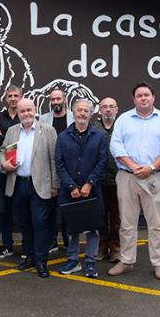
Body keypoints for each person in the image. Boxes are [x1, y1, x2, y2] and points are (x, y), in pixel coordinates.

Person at [109, 82, 160, 280]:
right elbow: (116, 146)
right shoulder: (123, 119)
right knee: (127, 223)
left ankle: (159, 263)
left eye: (146, 95)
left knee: (156, 223)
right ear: (134, 99)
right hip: (127, 177)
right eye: (139, 95)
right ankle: (127, 261)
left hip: (155, 177)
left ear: (153, 97)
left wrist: (151, 167)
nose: (143, 98)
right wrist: (133, 166)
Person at [0, 98, 58, 278]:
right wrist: (4, 164)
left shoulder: (48, 130)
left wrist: (55, 184)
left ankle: (41, 262)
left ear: (35, 110)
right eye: (22, 111)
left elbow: (54, 159)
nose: (26, 114)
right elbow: (2, 151)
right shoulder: (12, 131)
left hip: (40, 185)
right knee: (24, 223)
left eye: (29, 110)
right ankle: (29, 256)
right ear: (18, 113)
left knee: (40, 223)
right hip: (18, 184)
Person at [56, 99, 108, 278]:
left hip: (91, 190)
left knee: (93, 228)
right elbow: (59, 164)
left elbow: (103, 162)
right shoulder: (63, 136)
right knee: (72, 227)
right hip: (69, 191)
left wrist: (89, 183)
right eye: (79, 110)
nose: (82, 113)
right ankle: (73, 260)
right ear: (73, 112)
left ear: (91, 113)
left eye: (86, 110)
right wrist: (71, 186)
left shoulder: (100, 136)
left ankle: (91, 262)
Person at [39, 88, 73, 252]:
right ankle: (52, 241)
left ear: (64, 100)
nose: (56, 102)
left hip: (70, 170)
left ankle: (68, 242)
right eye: (53, 100)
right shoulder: (44, 119)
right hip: (49, 168)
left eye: (58, 99)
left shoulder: (74, 117)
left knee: (67, 208)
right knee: (50, 207)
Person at [0, 86, 22, 259]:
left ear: (21, 97)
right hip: (2, 169)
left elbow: (25, 140)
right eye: (9, 95)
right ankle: (7, 245)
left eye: (15, 95)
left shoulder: (25, 115)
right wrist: (8, 139)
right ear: (6, 98)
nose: (12, 98)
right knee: (5, 209)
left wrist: (3, 136)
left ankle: (27, 246)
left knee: (23, 209)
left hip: (22, 169)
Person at [95, 97, 120, 263]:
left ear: (117, 109)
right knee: (101, 216)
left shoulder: (123, 127)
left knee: (117, 216)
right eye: (105, 107)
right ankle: (102, 246)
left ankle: (116, 247)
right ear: (100, 110)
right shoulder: (94, 129)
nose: (108, 110)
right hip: (99, 180)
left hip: (120, 180)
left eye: (111, 107)